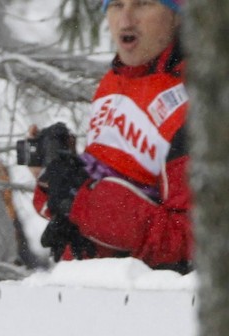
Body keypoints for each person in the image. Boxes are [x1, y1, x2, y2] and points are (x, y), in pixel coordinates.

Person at [30, 0, 191, 271]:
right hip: (90, 289)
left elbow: (190, 241)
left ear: (177, 15)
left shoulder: (196, 106)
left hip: (150, 302)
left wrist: (81, 200)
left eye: (143, 4)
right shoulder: (114, 81)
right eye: (116, 4)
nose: (125, 20)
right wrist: (54, 176)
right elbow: (108, 181)